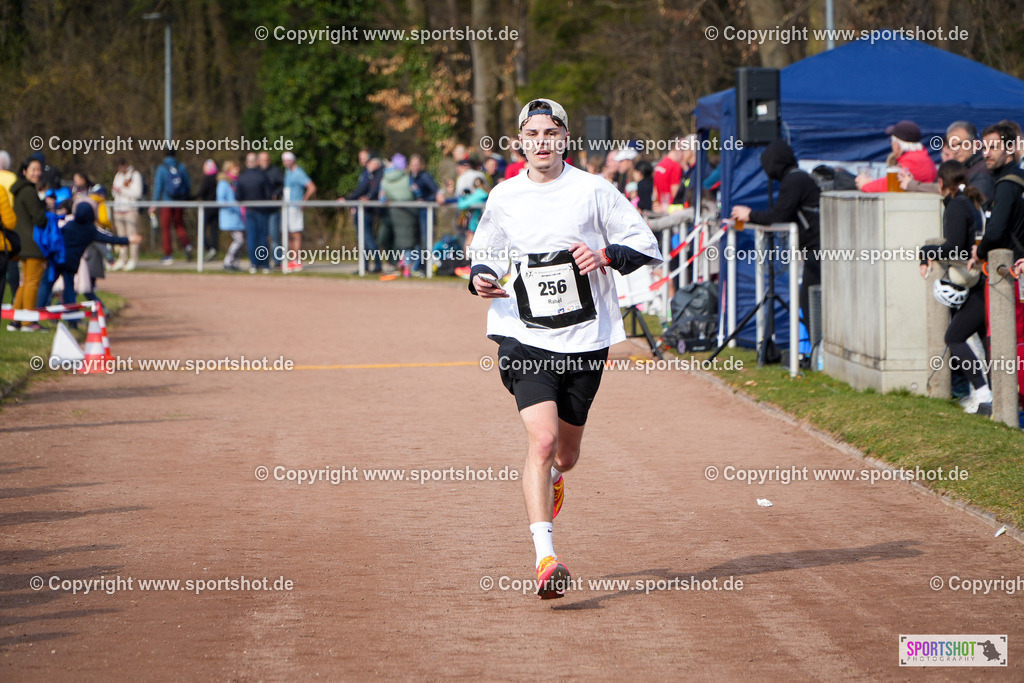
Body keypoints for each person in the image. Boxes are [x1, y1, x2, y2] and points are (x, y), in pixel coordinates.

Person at [469, 98, 662, 599]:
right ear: (520, 142)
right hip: (524, 334)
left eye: (550, 133)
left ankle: (556, 479)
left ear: (565, 138)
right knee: (542, 442)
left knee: (567, 456)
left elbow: (645, 243)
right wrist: (482, 278)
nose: (541, 142)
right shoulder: (504, 195)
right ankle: (545, 557)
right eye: (532, 134)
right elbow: (484, 251)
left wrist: (604, 255)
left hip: (584, 340)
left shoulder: (594, 190)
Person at [919, 160, 990, 414]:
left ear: (942, 183)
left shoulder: (957, 205)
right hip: (980, 279)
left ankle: (984, 395)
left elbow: (955, 248)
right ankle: (987, 396)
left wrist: (925, 251)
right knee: (982, 339)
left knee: (954, 337)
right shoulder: (971, 201)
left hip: (976, 280)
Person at [731, 139, 821, 320]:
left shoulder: (794, 180)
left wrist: (750, 215)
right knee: (811, 302)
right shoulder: (798, 178)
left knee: (810, 303)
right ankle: (816, 346)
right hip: (817, 251)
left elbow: (778, 215)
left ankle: (817, 347)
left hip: (817, 252)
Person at [57, 201, 141, 318]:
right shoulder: (88, 229)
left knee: (57, 287)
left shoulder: (69, 224)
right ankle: (73, 318)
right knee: (74, 290)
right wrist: (128, 240)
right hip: (73, 263)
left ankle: (53, 314)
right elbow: (107, 239)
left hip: (58, 260)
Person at [902, 122, 994, 204]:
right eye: (952, 146)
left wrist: (913, 185)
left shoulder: (983, 168)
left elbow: (953, 192)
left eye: (960, 144)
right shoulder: (961, 168)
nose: (956, 150)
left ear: (976, 145)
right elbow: (941, 186)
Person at [8, 158, 48, 331]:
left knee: (25, 283)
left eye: (39, 169)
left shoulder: (20, 190)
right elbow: (39, 218)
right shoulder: (29, 191)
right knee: (32, 283)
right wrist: (45, 208)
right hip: (33, 243)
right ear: (24, 171)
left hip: (22, 242)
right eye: (33, 169)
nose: (37, 173)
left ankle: (16, 320)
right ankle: (28, 322)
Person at [856, 120, 936, 192]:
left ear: (897, 145)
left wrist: (866, 185)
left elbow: (891, 184)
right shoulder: (921, 156)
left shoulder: (912, 160)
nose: (891, 144)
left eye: (891, 141)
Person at [149, 148, 193, 264]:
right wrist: (186, 198)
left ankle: (168, 254)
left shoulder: (162, 168)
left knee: (166, 228)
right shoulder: (181, 167)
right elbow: (188, 185)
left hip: (166, 202)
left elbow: (158, 187)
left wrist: (154, 203)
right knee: (179, 226)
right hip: (179, 202)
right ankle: (187, 245)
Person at [380, 154, 419, 277]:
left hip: (395, 212)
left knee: (400, 240)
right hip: (410, 212)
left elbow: (381, 197)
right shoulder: (407, 177)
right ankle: (407, 267)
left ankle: (400, 263)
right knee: (410, 241)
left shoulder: (384, 179)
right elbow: (416, 192)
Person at [235, 152, 272, 273]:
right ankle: (265, 265)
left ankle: (253, 264)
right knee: (262, 238)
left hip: (249, 211)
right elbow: (268, 195)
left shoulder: (242, 177)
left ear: (247, 163)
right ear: (256, 162)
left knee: (251, 238)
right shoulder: (263, 176)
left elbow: (238, 196)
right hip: (262, 211)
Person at [346, 156, 384, 273]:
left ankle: (377, 265)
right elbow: (361, 191)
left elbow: (368, 191)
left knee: (368, 238)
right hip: (362, 210)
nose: (367, 164)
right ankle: (365, 265)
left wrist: (348, 199)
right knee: (364, 239)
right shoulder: (368, 174)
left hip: (367, 211)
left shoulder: (377, 174)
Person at [281, 151, 315, 272]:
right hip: (287, 207)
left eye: (287, 160)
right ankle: (292, 260)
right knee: (289, 233)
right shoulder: (288, 172)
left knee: (295, 233)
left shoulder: (299, 173)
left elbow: (311, 187)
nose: (285, 163)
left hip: (295, 207)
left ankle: (297, 261)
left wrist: (303, 201)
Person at [408, 154, 439, 274]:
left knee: (427, 240)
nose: (415, 166)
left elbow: (436, 192)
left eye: (417, 164)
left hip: (426, 212)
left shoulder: (425, 176)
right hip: (414, 213)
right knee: (416, 240)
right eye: (413, 164)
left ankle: (427, 268)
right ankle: (417, 266)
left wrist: (425, 199)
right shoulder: (409, 176)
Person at [111, 159, 143, 271]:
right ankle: (122, 258)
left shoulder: (135, 175)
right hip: (118, 209)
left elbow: (137, 193)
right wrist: (118, 190)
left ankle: (133, 259)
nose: (120, 170)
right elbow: (114, 192)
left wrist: (122, 190)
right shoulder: (118, 176)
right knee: (121, 236)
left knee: (132, 235)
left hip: (130, 209)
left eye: (121, 167)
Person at [217, 160, 246, 271]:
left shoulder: (236, 182)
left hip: (239, 217)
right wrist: (233, 207)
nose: (237, 170)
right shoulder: (223, 183)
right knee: (239, 240)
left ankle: (234, 263)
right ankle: (228, 261)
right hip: (230, 216)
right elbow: (221, 200)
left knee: (240, 240)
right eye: (235, 168)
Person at [259, 151, 285, 269]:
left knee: (274, 237)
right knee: (261, 237)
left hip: (273, 210)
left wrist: (276, 193)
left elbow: (283, 184)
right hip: (260, 210)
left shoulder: (276, 171)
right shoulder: (256, 173)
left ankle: (277, 262)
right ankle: (261, 261)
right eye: (262, 160)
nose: (265, 162)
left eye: (266, 159)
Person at [195, 159, 219, 261]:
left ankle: (209, 248)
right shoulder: (218, 178)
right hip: (216, 208)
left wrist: (189, 198)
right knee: (214, 231)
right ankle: (214, 248)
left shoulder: (208, 179)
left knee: (201, 229)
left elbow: (201, 192)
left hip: (208, 209)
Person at [653, 142, 685, 210]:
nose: (682, 155)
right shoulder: (675, 166)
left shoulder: (659, 164)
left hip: (660, 206)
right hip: (669, 208)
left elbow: (655, 191)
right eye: (682, 151)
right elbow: (674, 192)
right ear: (676, 150)